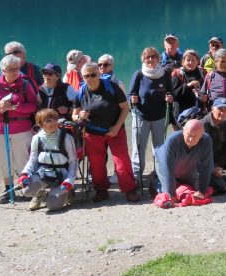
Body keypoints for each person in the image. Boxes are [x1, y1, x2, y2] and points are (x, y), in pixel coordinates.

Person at [73, 62, 140, 202]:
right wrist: (79, 117)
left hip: (115, 131)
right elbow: (74, 115)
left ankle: (130, 190)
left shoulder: (112, 87)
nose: (90, 78)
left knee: (122, 161)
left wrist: (116, 128)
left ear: (99, 73)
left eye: (93, 75)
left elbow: (125, 108)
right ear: (82, 77)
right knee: (96, 164)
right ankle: (101, 190)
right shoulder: (81, 91)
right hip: (92, 133)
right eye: (86, 76)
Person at [0, 54, 37, 203]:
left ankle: (27, 188)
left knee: (23, 160)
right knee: (4, 161)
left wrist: (16, 107)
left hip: (22, 129)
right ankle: (8, 190)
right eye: (11, 69)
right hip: (0, 129)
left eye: (17, 68)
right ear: (3, 70)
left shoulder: (25, 85)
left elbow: (34, 106)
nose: (15, 72)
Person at [128, 48, 173, 186]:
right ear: (143, 59)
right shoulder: (139, 74)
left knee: (159, 148)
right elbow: (130, 94)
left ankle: (159, 175)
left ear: (158, 58)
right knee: (138, 148)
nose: (150, 59)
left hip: (159, 117)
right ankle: (137, 177)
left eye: (153, 56)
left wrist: (170, 98)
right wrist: (132, 100)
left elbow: (170, 92)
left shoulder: (165, 74)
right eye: (147, 57)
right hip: (141, 116)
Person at [17, 109, 77, 211]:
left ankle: (67, 193)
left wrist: (69, 181)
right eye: (48, 120)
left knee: (53, 206)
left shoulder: (67, 138)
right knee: (26, 191)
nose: (54, 123)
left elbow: (73, 162)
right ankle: (40, 194)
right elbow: (32, 161)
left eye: (55, 119)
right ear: (40, 124)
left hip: (62, 175)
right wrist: (24, 174)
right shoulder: (36, 138)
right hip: (42, 173)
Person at [153, 120, 214, 202]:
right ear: (183, 131)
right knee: (166, 193)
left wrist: (201, 191)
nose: (191, 139)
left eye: (195, 136)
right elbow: (168, 169)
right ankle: (155, 180)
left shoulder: (206, 140)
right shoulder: (172, 140)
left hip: (186, 164)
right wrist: (172, 195)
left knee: (194, 189)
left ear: (201, 135)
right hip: (164, 163)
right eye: (189, 135)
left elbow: (206, 166)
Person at [171, 49, 206, 117]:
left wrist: (203, 96)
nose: (191, 63)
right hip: (182, 113)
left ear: (197, 61)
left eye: (193, 60)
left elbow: (206, 90)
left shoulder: (202, 72)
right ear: (183, 62)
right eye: (188, 60)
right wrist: (188, 86)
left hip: (199, 112)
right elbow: (174, 94)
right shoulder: (177, 73)